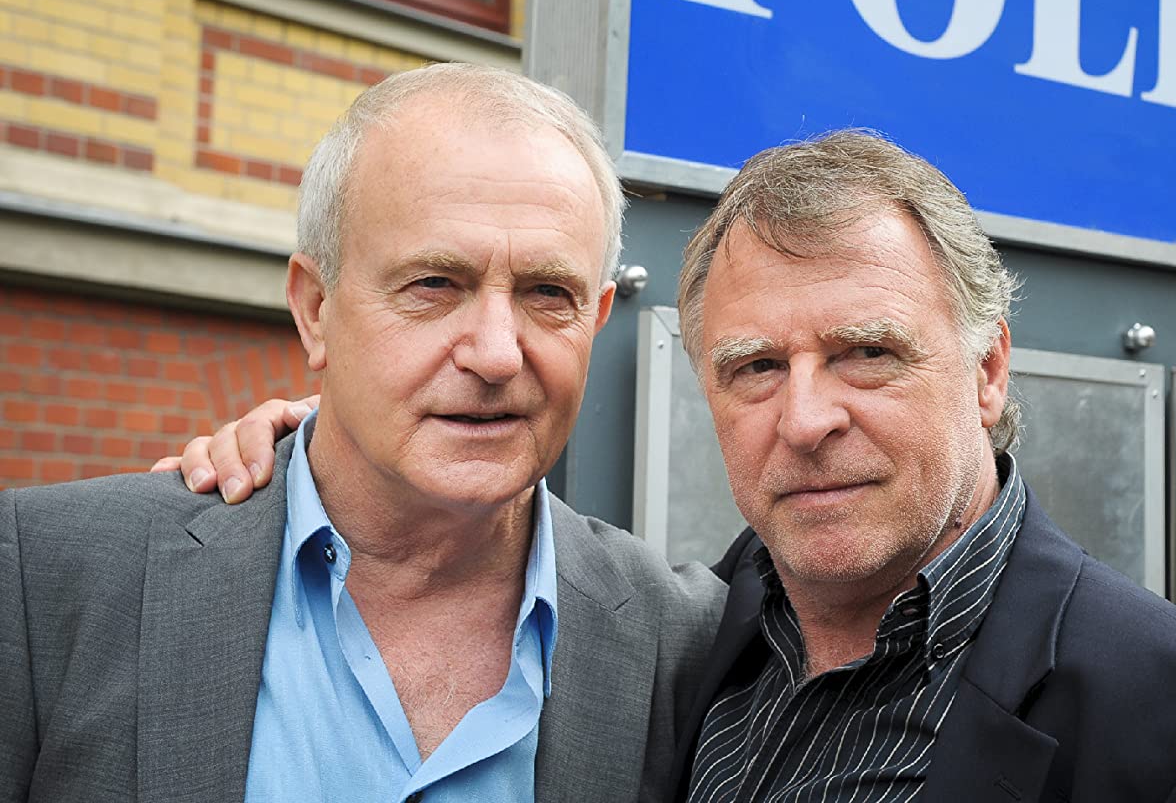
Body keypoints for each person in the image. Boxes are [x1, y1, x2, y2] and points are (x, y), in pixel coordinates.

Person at [161, 132, 1176, 801]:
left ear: (988, 370)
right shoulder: (681, 641)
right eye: (755, 367)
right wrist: (330, 448)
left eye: (867, 353)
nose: (807, 417)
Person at [0, 64, 723, 803]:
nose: (497, 353)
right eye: (434, 285)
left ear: (595, 318)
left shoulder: (687, 643)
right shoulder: (50, 578)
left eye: (548, 293)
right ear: (315, 309)